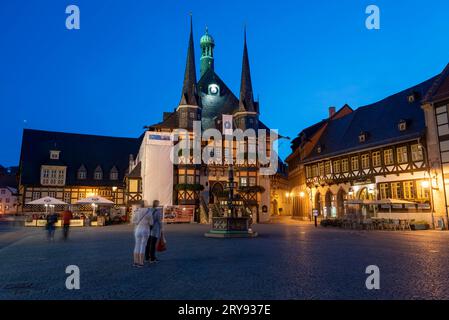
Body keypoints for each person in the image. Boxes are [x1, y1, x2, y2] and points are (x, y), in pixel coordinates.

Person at [132, 203, 153, 267]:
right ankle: (141, 262)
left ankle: (136, 262)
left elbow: (133, 221)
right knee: (143, 246)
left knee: (137, 245)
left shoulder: (136, 211)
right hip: (145, 230)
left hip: (138, 230)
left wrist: (138, 222)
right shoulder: (149, 212)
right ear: (145, 205)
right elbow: (151, 223)